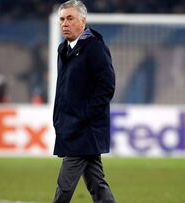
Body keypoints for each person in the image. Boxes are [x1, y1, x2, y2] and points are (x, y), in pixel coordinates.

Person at [52, 0, 116, 202]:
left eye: (70, 18)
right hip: (70, 126)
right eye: (62, 19)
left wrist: (85, 116)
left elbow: (107, 87)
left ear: (83, 21)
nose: (65, 23)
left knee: (64, 186)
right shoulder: (64, 49)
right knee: (97, 184)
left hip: (84, 129)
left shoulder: (94, 48)